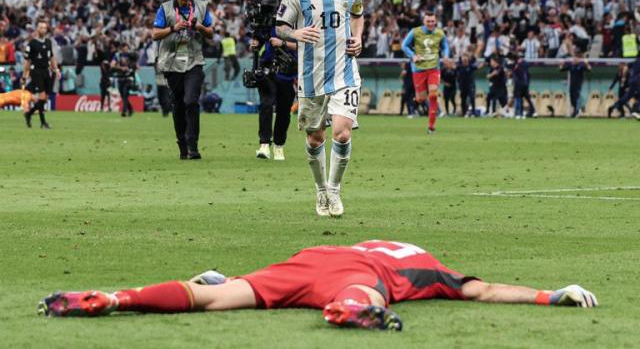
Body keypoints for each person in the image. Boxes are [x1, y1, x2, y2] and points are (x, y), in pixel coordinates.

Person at [38, 239, 598, 331]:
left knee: (213, 298)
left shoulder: (374, 241)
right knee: (368, 293)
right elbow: (486, 290)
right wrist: (553, 293)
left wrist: (232, 274)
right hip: (353, 275)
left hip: (306, 261)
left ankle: (115, 297)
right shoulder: (428, 267)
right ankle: (350, 311)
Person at [275, 0, 364, 217]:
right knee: (316, 139)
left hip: (345, 73)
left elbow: (358, 13)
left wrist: (359, 37)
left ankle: (335, 191)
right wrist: (296, 33)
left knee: (342, 132)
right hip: (311, 77)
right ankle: (321, 191)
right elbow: (280, 26)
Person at [152, 0, 214, 160]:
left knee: (191, 101)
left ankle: (193, 146)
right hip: (172, 62)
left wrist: (199, 26)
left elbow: (211, 33)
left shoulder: (201, 7)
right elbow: (155, 34)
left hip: (194, 61)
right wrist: (173, 27)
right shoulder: (165, 8)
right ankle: (182, 144)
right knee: (178, 104)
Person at [401, 10, 451, 134]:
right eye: (428, 21)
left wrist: (445, 56)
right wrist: (413, 56)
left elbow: (445, 46)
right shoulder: (415, 32)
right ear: (424, 21)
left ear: (436, 21)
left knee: (433, 94)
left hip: (434, 67)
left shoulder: (440, 33)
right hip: (418, 69)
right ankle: (416, 101)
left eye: (432, 21)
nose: (430, 23)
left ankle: (431, 127)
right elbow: (404, 45)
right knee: (422, 98)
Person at [251, 32, 297, 161]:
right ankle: (264, 144)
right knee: (266, 104)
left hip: (288, 71)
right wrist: (256, 44)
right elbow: (259, 38)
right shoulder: (267, 20)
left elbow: (304, 45)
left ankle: (279, 145)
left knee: (284, 111)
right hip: (267, 69)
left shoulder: (298, 20)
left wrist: (283, 43)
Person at [22, 19, 60, 129]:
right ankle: (43, 122)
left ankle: (28, 114)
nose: (43, 29)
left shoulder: (48, 42)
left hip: (45, 70)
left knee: (44, 99)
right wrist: (24, 75)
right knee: (42, 96)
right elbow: (27, 61)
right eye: (41, 27)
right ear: (37, 29)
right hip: (36, 71)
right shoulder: (32, 43)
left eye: (44, 27)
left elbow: (52, 57)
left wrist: (56, 69)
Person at [110, 43, 138, 117]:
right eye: (124, 48)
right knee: (123, 95)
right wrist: (121, 68)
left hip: (129, 78)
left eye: (127, 48)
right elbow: (112, 65)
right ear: (121, 48)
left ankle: (124, 111)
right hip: (120, 78)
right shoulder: (117, 55)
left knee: (125, 93)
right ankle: (131, 109)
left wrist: (133, 67)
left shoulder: (131, 55)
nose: (126, 49)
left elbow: (136, 66)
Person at [456, 53, 482, 117]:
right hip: (462, 85)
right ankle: (463, 113)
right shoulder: (459, 66)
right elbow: (454, 68)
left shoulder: (471, 66)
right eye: (463, 57)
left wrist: (482, 64)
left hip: (470, 85)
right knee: (463, 99)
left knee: (472, 97)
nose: (464, 58)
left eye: (466, 57)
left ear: (468, 58)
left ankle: (473, 112)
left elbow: (478, 66)